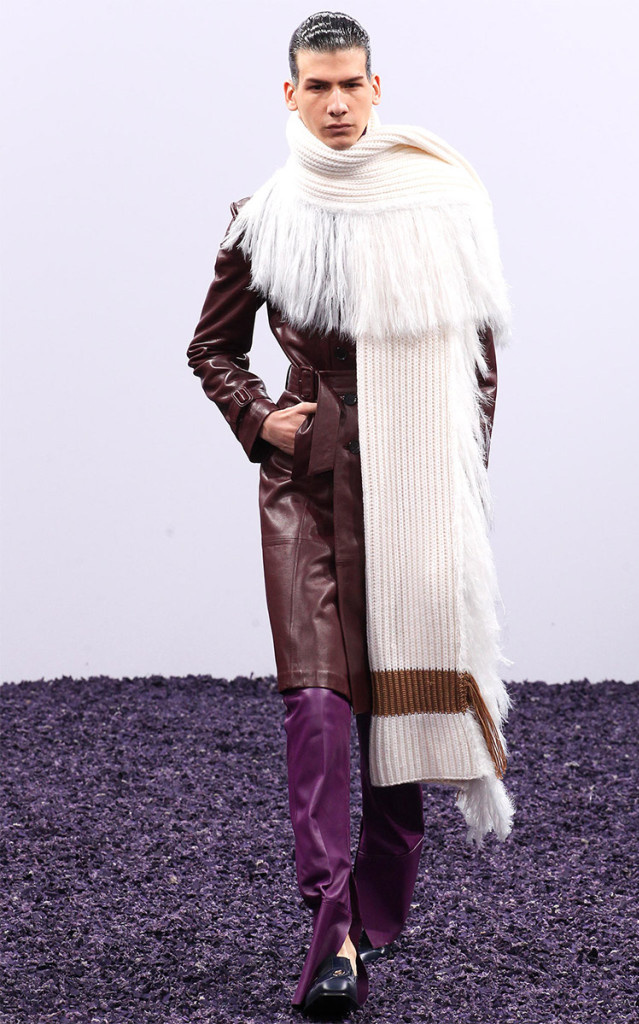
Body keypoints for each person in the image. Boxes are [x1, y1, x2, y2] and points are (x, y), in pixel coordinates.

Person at [187, 11, 515, 1017]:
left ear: (377, 87)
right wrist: (260, 421)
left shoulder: (435, 199)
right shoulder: (262, 217)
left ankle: (371, 919)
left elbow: (478, 360)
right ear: (288, 95)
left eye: (350, 85)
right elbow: (210, 348)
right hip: (307, 482)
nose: (335, 104)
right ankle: (329, 930)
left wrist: (454, 483)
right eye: (316, 87)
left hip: (410, 481)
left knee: (390, 708)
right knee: (319, 710)